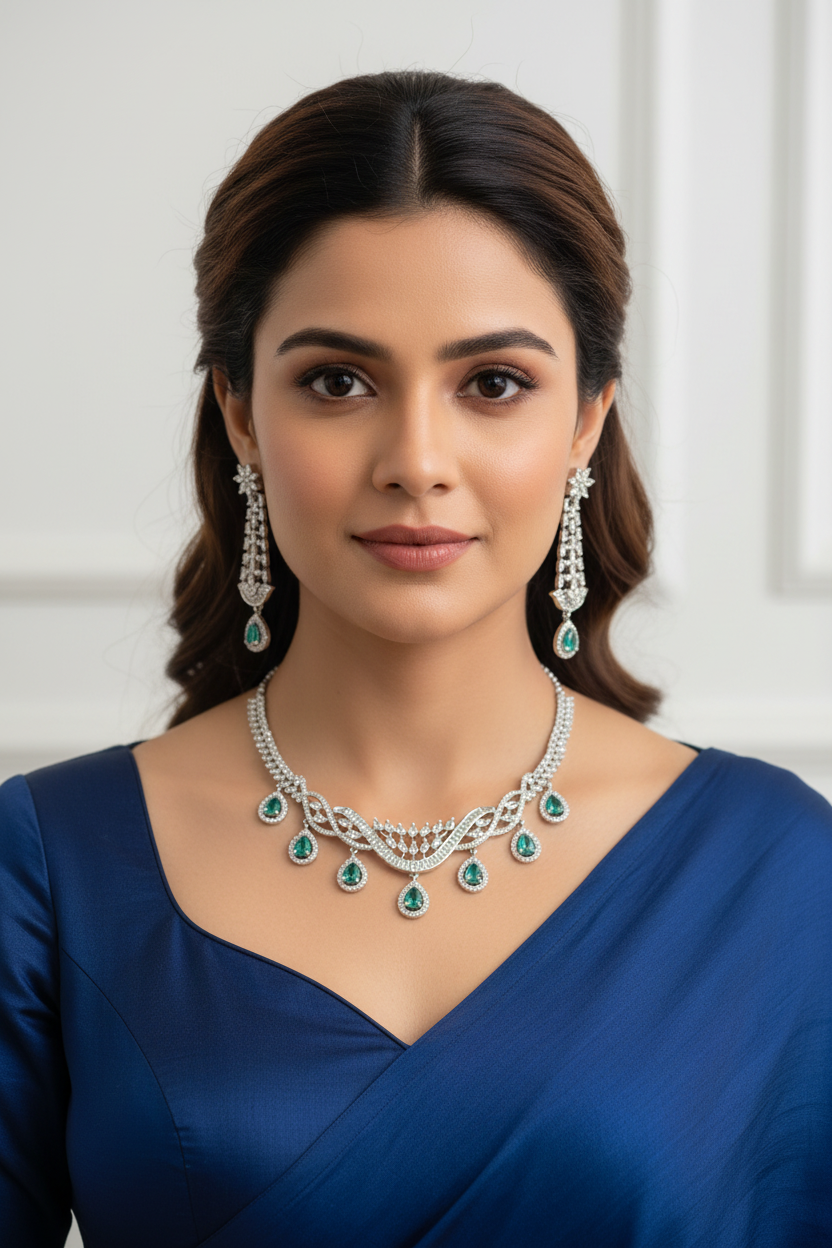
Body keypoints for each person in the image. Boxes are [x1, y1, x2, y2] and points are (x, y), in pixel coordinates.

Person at [1, 70, 830, 1248]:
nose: (417, 458)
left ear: (587, 414)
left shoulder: (777, 872)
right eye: (338, 382)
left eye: (492, 384)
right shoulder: (49, 866)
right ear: (241, 410)